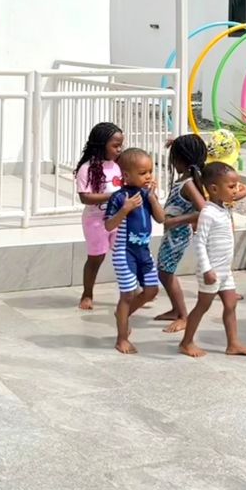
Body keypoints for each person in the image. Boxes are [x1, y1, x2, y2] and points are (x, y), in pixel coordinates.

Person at [178, 162, 246, 358]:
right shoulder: (208, 213)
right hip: (211, 271)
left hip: (224, 270)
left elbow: (242, 190)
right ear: (213, 189)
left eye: (235, 185)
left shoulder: (224, 208)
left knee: (231, 304)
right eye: (230, 187)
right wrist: (206, 270)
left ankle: (233, 343)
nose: (235, 190)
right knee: (203, 306)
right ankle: (186, 342)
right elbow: (199, 242)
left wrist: (237, 188)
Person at [105, 147, 165, 354]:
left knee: (152, 290)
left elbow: (161, 218)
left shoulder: (147, 194)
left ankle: (122, 314)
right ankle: (121, 338)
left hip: (143, 251)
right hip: (124, 252)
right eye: (142, 173)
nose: (148, 176)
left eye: (150, 171)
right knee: (128, 294)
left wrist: (153, 198)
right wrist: (125, 209)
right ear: (126, 175)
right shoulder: (119, 198)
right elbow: (108, 226)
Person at [153, 134, 208, 332]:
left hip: (178, 235)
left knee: (166, 272)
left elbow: (203, 210)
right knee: (164, 271)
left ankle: (183, 315)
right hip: (173, 233)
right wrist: (176, 143)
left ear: (180, 160)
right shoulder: (186, 179)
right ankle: (176, 310)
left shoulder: (188, 184)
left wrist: (177, 221)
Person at [74, 122, 124, 309]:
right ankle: (87, 294)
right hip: (96, 221)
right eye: (115, 145)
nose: (119, 149)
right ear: (101, 144)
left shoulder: (118, 165)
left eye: (121, 145)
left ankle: (131, 291)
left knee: (124, 255)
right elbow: (85, 197)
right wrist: (113, 196)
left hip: (118, 219)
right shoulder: (87, 168)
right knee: (96, 257)